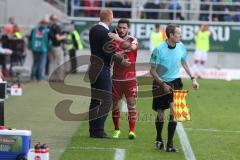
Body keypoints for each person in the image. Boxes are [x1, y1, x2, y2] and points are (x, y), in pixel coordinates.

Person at [149, 23, 199, 152]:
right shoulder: (158, 49)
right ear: (171, 35)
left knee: (175, 111)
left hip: (176, 82)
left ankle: (170, 144)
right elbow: (152, 71)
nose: (180, 35)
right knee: (161, 113)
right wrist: (162, 84)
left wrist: (193, 78)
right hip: (160, 82)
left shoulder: (181, 46)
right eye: (178, 33)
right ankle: (159, 138)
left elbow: (184, 61)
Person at [88, 9, 130, 138]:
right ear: (110, 18)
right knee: (107, 100)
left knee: (95, 99)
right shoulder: (106, 33)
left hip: (93, 67)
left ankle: (93, 129)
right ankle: (98, 130)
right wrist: (121, 60)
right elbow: (108, 54)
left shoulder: (93, 30)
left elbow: (102, 50)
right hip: (102, 69)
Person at [109, 19, 138, 139]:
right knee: (115, 106)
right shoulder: (112, 41)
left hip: (130, 80)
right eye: (120, 27)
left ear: (128, 29)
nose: (121, 30)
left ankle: (132, 131)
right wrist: (119, 59)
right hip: (116, 79)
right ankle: (116, 129)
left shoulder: (133, 40)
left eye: (124, 28)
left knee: (131, 105)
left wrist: (119, 39)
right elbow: (111, 56)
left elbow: (131, 48)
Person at [48, 14, 67, 82]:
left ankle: (51, 78)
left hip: (49, 46)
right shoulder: (56, 27)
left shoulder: (48, 26)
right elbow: (58, 38)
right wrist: (64, 36)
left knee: (52, 62)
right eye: (56, 19)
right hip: (56, 46)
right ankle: (60, 78)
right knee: (60, 62)